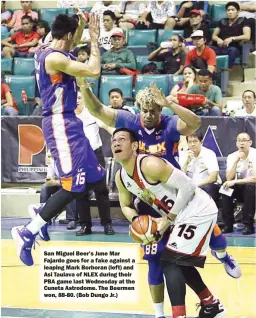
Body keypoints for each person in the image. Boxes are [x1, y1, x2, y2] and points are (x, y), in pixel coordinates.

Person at [77, 80, 241, 318]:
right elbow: (98, 110)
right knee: (161, 259)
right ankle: (165, 313)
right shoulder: (129, 126)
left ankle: (223, 260)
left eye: (154, 111)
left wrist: (169, 105)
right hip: (152, 201)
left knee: (208, 242)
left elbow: (195, 123)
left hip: (181, 196)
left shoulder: (168, 125)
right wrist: (85, 87)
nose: (149, 115)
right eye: (145, 111)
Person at [11, 12, 106, 267]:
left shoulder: (47, 46)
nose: (78, 39)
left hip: (70, 122)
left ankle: (43, 213)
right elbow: (94, 70)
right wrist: (95, 40)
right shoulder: (54, 58)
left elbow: (70, 43)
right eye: (75, 34)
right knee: (73, 184)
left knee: (94, 176)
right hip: (59, 123)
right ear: (66, 36)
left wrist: (82, 24)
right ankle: (27, 231)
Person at [112, 127, 225, 318]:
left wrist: (168, 219)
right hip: (179, 215)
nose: (115, 143)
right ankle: (211, 304)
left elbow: (188, 187)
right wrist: (137, 220)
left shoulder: (150, 165)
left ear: (134, 146)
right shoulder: (121, 177)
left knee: (169, 260)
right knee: (177, 261)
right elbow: (125, 205)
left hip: (197, 209)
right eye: (113, 140)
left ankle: (183, 313)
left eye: (121, 139)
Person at [75, 90, 114, 235]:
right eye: (75, 98)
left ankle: (107, 224)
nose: (77, 100)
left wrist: (118, 136)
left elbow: (107, 127)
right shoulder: (69, 117)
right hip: (77, 158)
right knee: (80, 192)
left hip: (94, 156)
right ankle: (85, 225)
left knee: (101, 191)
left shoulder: (91, 113)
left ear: (84, 100)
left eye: (80, 98)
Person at [222, 132, 256, 235]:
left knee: (250, 186)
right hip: (239, 188)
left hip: (253, 188)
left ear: (250, 142)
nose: (242, 143)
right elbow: (229, 178)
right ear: (236, 143)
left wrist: (235, 181)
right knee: (225, 187)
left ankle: (248, 225)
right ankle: (227, 224)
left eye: (244, 140)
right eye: (239, 140)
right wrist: (236, 162)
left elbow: (254, 178)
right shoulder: (232, 156)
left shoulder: (254, 155)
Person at [179, 131, 221, 201]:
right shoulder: (184, 155)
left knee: (207, 187)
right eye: (190, 142)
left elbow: (213, 177)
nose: (192, 144)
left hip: (208, 186)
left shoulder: (209, 154)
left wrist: (196, 186)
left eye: (195, 141)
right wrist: (186, 162)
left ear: (201, 142)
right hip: (190, 188)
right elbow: (180, 176)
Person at [211, 2, 251, 70]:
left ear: (238, 11)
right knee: (208, 49)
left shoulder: (244, 20)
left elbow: (247, 36)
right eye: (228, 10)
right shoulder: (222, 21)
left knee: (232, 50)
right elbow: (214, 36)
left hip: (234, 48)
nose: (230, 12)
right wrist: (218, 39)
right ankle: (210, 71)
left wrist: (232, 38)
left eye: (233, 10)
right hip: (220, 47)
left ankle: (225, 71)